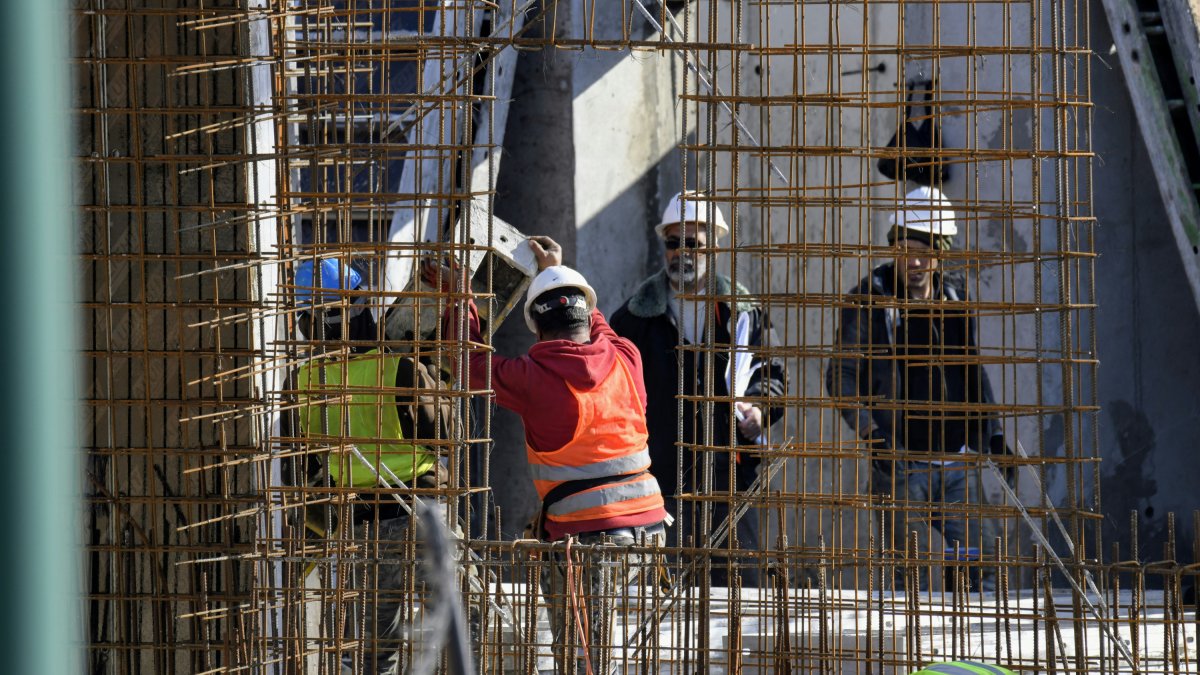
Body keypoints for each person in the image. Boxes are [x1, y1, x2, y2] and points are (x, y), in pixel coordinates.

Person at [435, 236, 668, 674]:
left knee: (581, 659)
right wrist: (556, 274)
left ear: (537, 329)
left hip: (591, 539)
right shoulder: (626, 356)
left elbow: (467, 362)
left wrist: (460, 296)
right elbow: (598, 325)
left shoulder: (535, 378)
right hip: (650, 531)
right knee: (616, 652)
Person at [825, 186, 1012, 592]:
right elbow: (840, 376)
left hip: (957, 463)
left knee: (977, 572)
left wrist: (994, 435)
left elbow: (972, 372)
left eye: (923, 252)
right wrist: (871, 433)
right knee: (909, 577)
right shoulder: (869, 299)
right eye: (904, 249)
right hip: (902, 466)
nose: (912, 261)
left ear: (941, 252)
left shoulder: (956, 297)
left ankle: (966, 632)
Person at [292, 257, 463, 674]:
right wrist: (436, 375)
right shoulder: (398, 367)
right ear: (360, 310)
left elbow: (310, 454)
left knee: (373, 648)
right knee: (460, 626)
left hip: (361, 523)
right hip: (420, 513)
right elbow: (447, 433)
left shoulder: (305, 379)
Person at [610, 191, 788, 587]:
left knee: (740, 591)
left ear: (715, 249)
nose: (682, 253)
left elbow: (772, 374)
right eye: (674, 242)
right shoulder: (634, 318)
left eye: (693, 243)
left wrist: (759, 409)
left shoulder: (742, 312)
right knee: (666, 591)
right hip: (662, 479)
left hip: (731, 477)